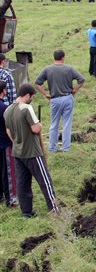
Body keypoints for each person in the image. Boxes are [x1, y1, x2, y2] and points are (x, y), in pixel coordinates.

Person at [4, 84, 60, 217]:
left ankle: (26, 212)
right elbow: (35, 129)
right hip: (32, 152)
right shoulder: (26, 108)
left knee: (22, 183)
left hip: (17, 153)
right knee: (45, 181)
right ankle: (55, 209)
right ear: (27, 95)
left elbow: (8, 131)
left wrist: (17, 142)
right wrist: (39, 124)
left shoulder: (7, 110)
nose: (32, 99)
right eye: (32, 97)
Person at [35, 50, 84, 153]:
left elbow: (37, 83)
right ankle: (65, 148)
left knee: (54, 124)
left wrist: (45, 94)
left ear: (54, 58)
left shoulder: (47, 69)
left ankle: (52, 148)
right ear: (63, 57)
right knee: (67, 124)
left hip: (55, 99)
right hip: (67, 98)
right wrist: (75, 89)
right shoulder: (69, 69)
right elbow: (81, 79)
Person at [0, 80, 16, 207]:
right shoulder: (5, 109)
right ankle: (11, 199)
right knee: (8, 171)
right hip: (4, 143)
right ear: (4, 91)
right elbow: (9, 127)